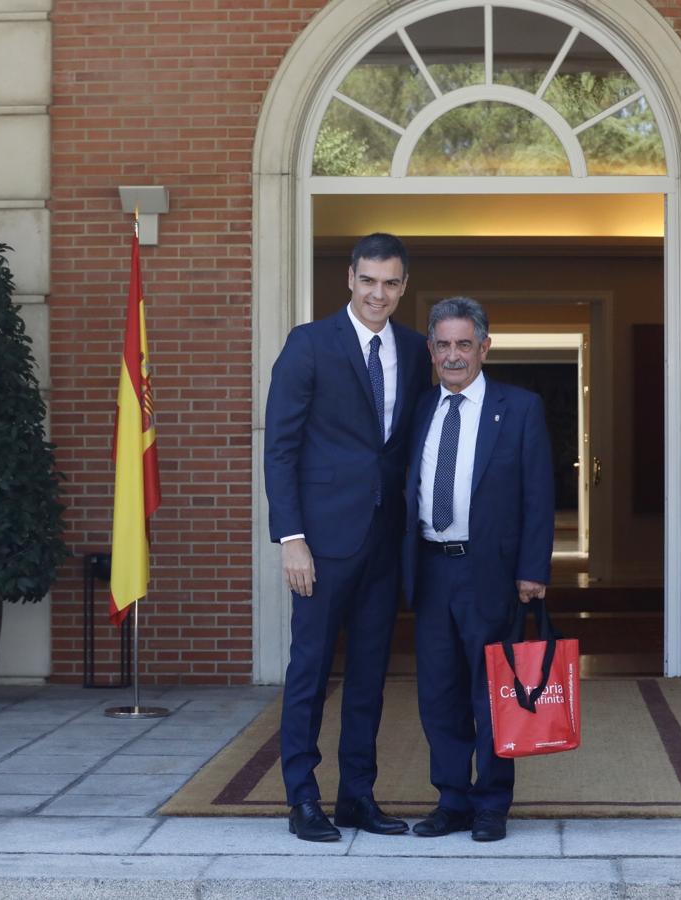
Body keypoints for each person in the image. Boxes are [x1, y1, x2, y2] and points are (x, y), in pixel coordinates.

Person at [264, 233, 432, 842]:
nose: (378, 293)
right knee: (309, 671)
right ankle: (302, 798)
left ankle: (357, 794)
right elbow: (280, 447)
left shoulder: (415, 351)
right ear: (350, 279)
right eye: (369, 280)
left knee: (369, 675)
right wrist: (291, 538)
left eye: (390, 283)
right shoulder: (309, 345)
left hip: (386, 544)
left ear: (403, 286)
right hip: (320, 544)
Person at [400, 296, 555, 842]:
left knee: (492, 692)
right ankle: (451, 800)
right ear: (430, 350)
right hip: (431, 570)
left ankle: (491, 803)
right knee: (438, 693)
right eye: (442, 344)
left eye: (464, 344)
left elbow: (538, 495)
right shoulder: (417, 408)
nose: (453, 355)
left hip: (490, 573)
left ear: (484, 348)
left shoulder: (520, 408)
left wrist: (534, 569)